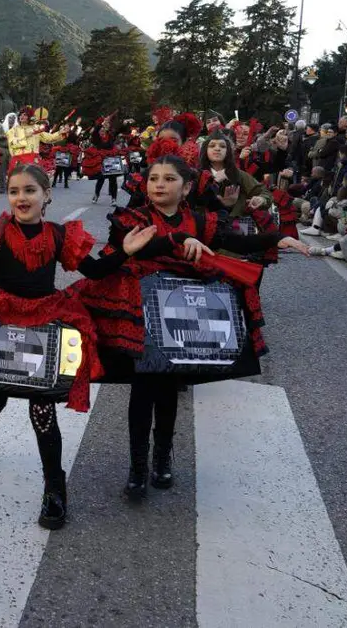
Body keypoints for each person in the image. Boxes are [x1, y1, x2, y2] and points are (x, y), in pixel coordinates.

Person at [0, 162, 157, 529]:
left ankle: (54, 487)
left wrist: (123, 251)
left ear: (46, 195)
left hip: (43, 321)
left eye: (30, 190)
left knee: (42, 407)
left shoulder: (59, 235)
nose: (21, 198)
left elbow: (93, 271)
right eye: (14, 191)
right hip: (1, 317)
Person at [76, 155, 309, 499]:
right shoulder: (133, 218)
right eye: (154, 178)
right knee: (142, 389)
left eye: (169, 179)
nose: (159, 184)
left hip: (182, 313)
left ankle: (162, 458)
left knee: (169, 387)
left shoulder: (201, 220)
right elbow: (138, 247)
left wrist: (275, 239)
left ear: (186, 188)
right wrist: (176, 240)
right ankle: (137, 467)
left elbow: (236, 241)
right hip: (142, 312)